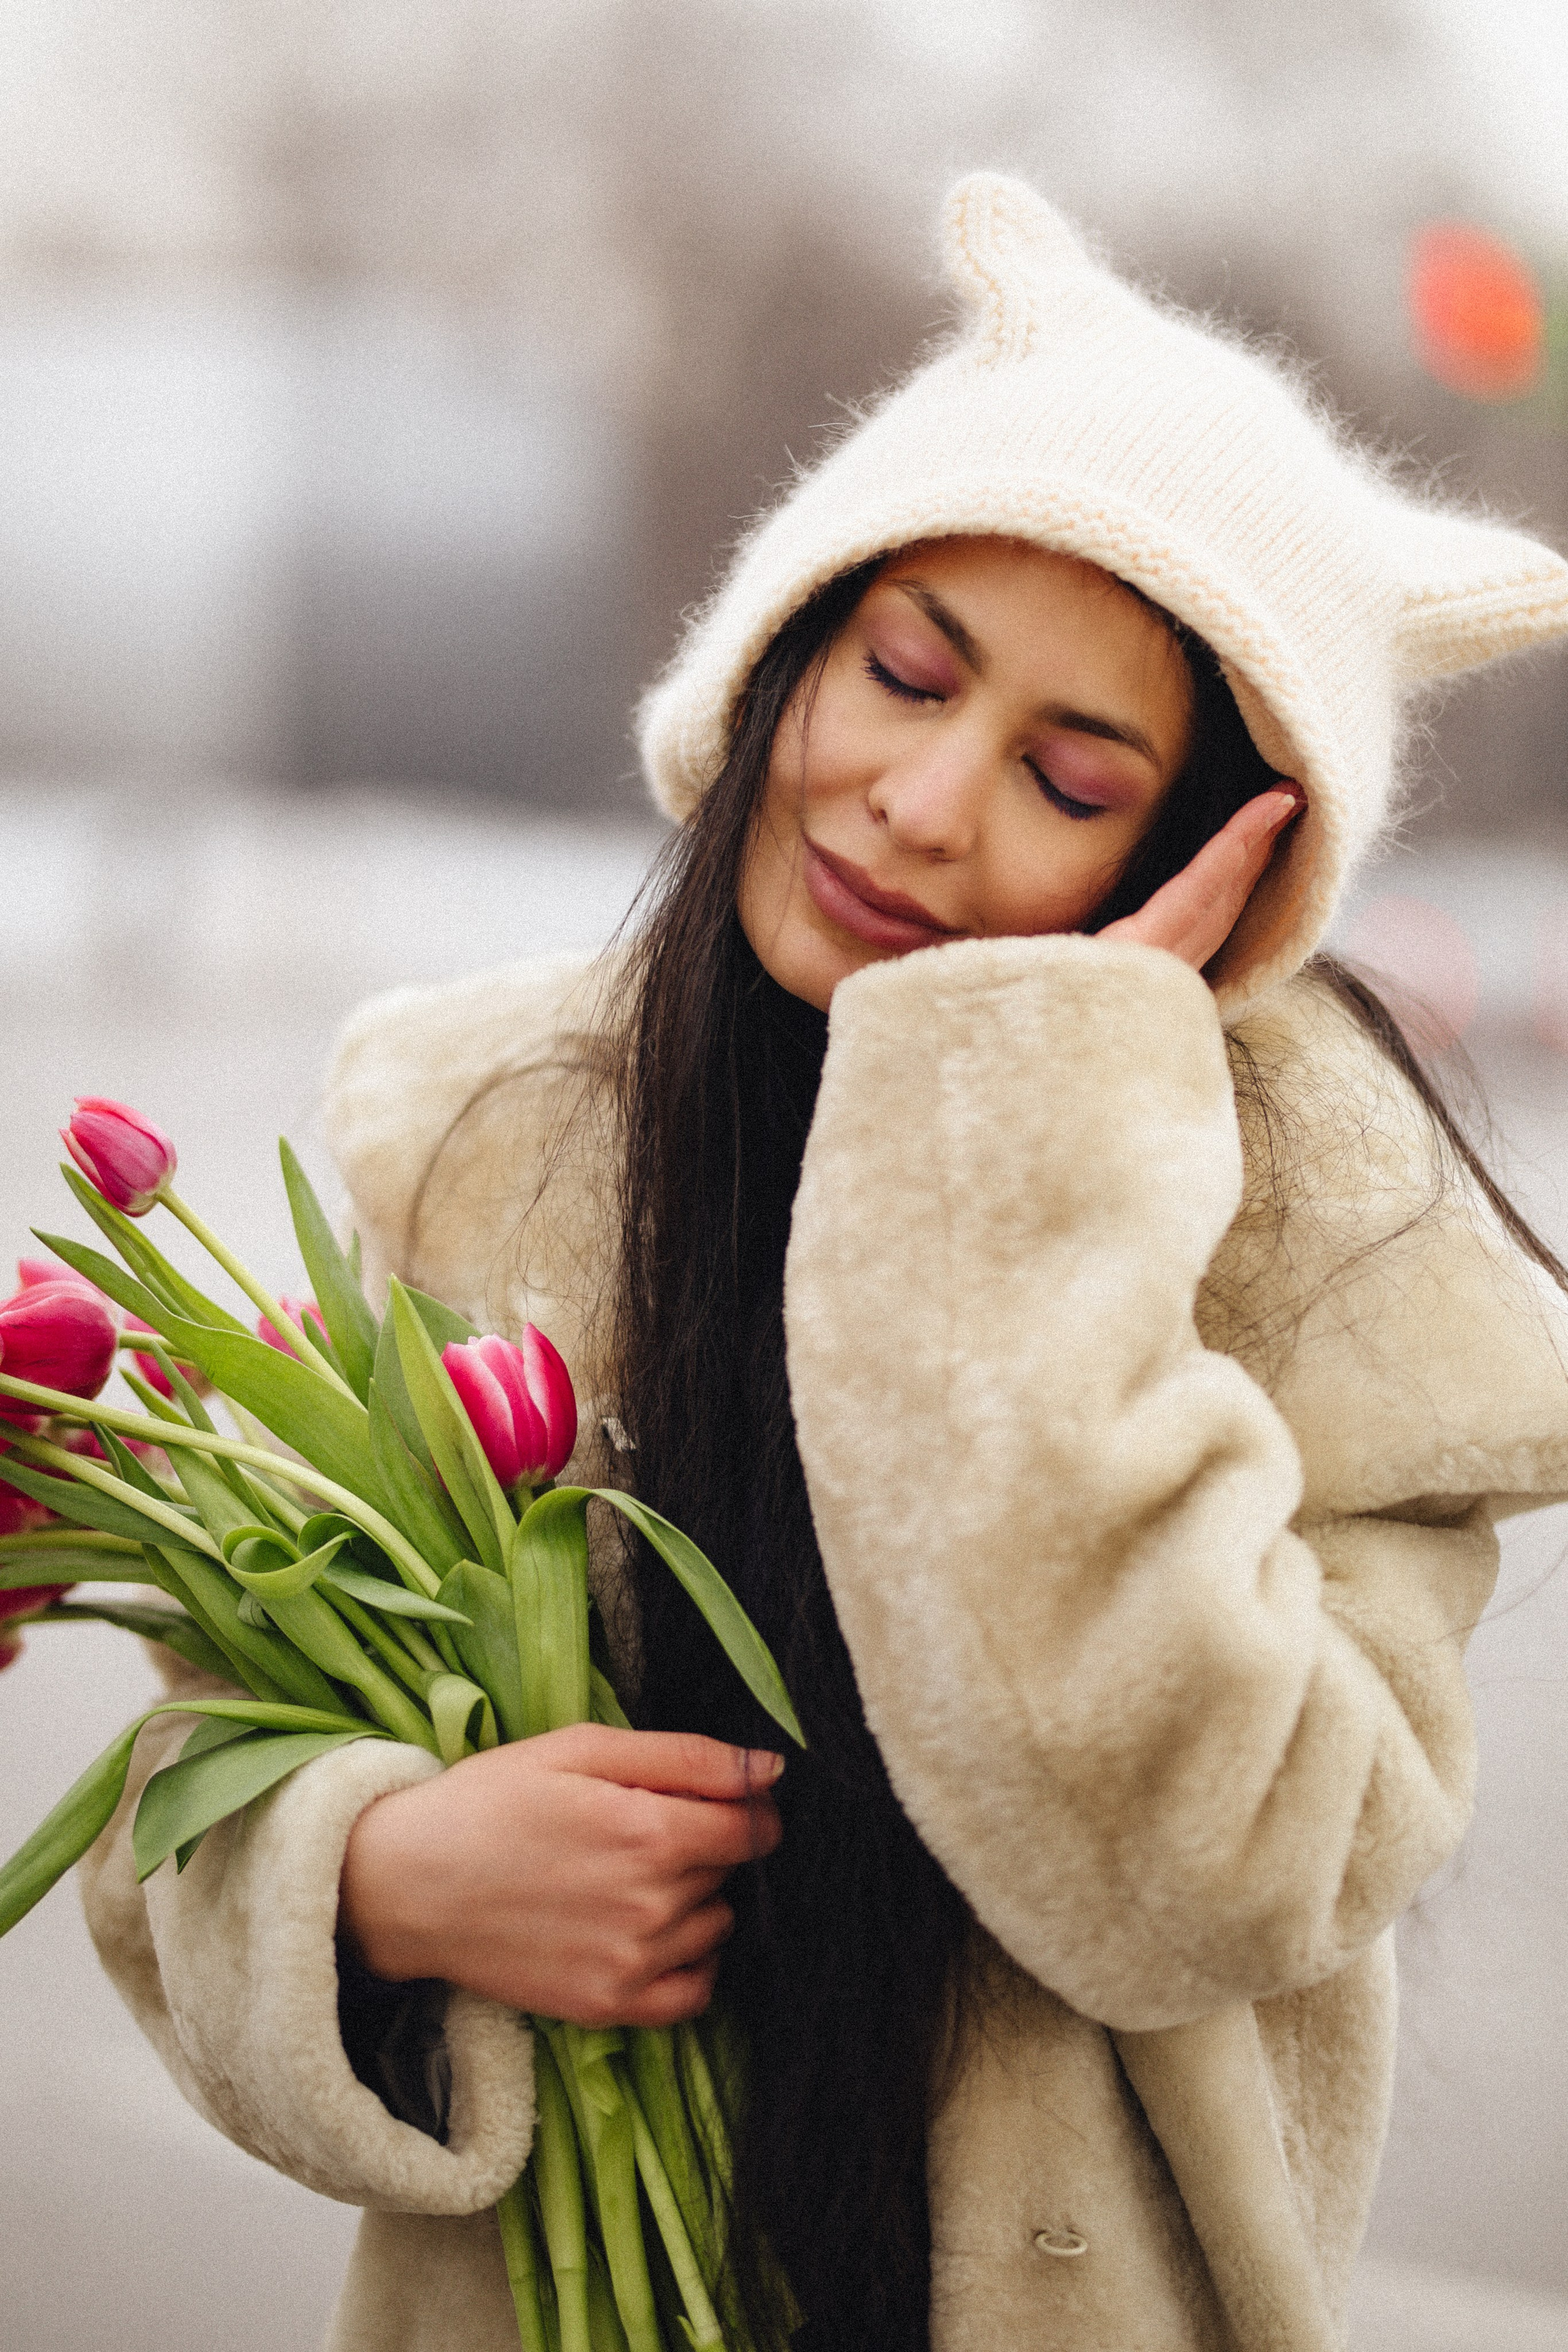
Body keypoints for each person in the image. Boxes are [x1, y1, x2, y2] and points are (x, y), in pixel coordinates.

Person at [82, 175, 1568, 2352]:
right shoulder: (487, 1142)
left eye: (1070, 774)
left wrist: (1013, 1154)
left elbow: (1217, 1880)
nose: (922, 801)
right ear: (783, 642)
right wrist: (382, 1879)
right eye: (900, 670)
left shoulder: (1351, 1278)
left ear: (1203, 873)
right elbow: (175, 1812)